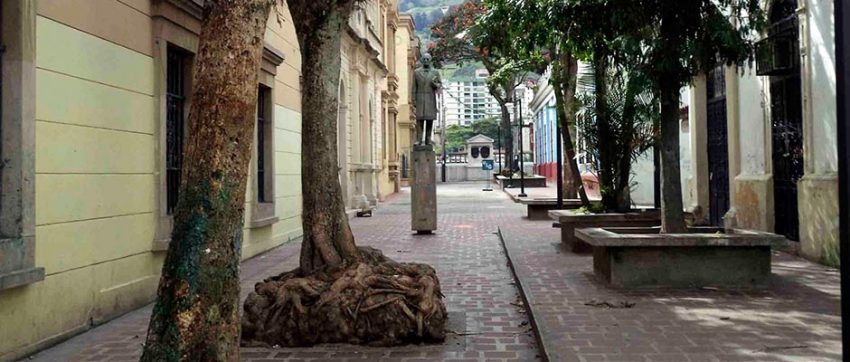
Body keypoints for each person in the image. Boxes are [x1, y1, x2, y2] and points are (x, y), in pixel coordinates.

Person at [412, 54, 441, 145]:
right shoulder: (416, 72)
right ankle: (419, 140)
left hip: (430, 99)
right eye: (424, 59)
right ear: (422, 60)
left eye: (427, 59)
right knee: (419, 120)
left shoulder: (435, 72)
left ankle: (428, 139)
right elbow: (414, 87)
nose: (426, 60)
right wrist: (414, 99)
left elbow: (439, 85)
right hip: (420, 98)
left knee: (429, 120)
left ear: (430, 60)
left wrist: (434, 84)